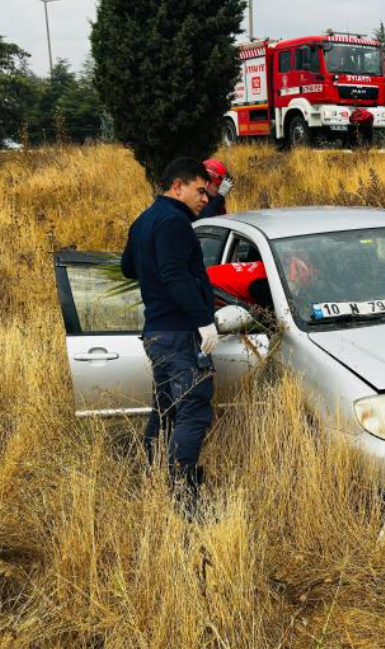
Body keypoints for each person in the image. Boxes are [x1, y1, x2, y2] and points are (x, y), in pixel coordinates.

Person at [121, 158, 217, 506]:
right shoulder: (175, 222)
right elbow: (175, 275)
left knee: (165, 410)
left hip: (156, 333)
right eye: (200, 190)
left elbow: (127, 267)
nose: (205, 199)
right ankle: (183, 495)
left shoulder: (144, 220)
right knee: (193, 409)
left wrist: (155, 277)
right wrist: (203, 319)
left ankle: (152, 475)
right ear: (178, 186)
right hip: (179, 333)